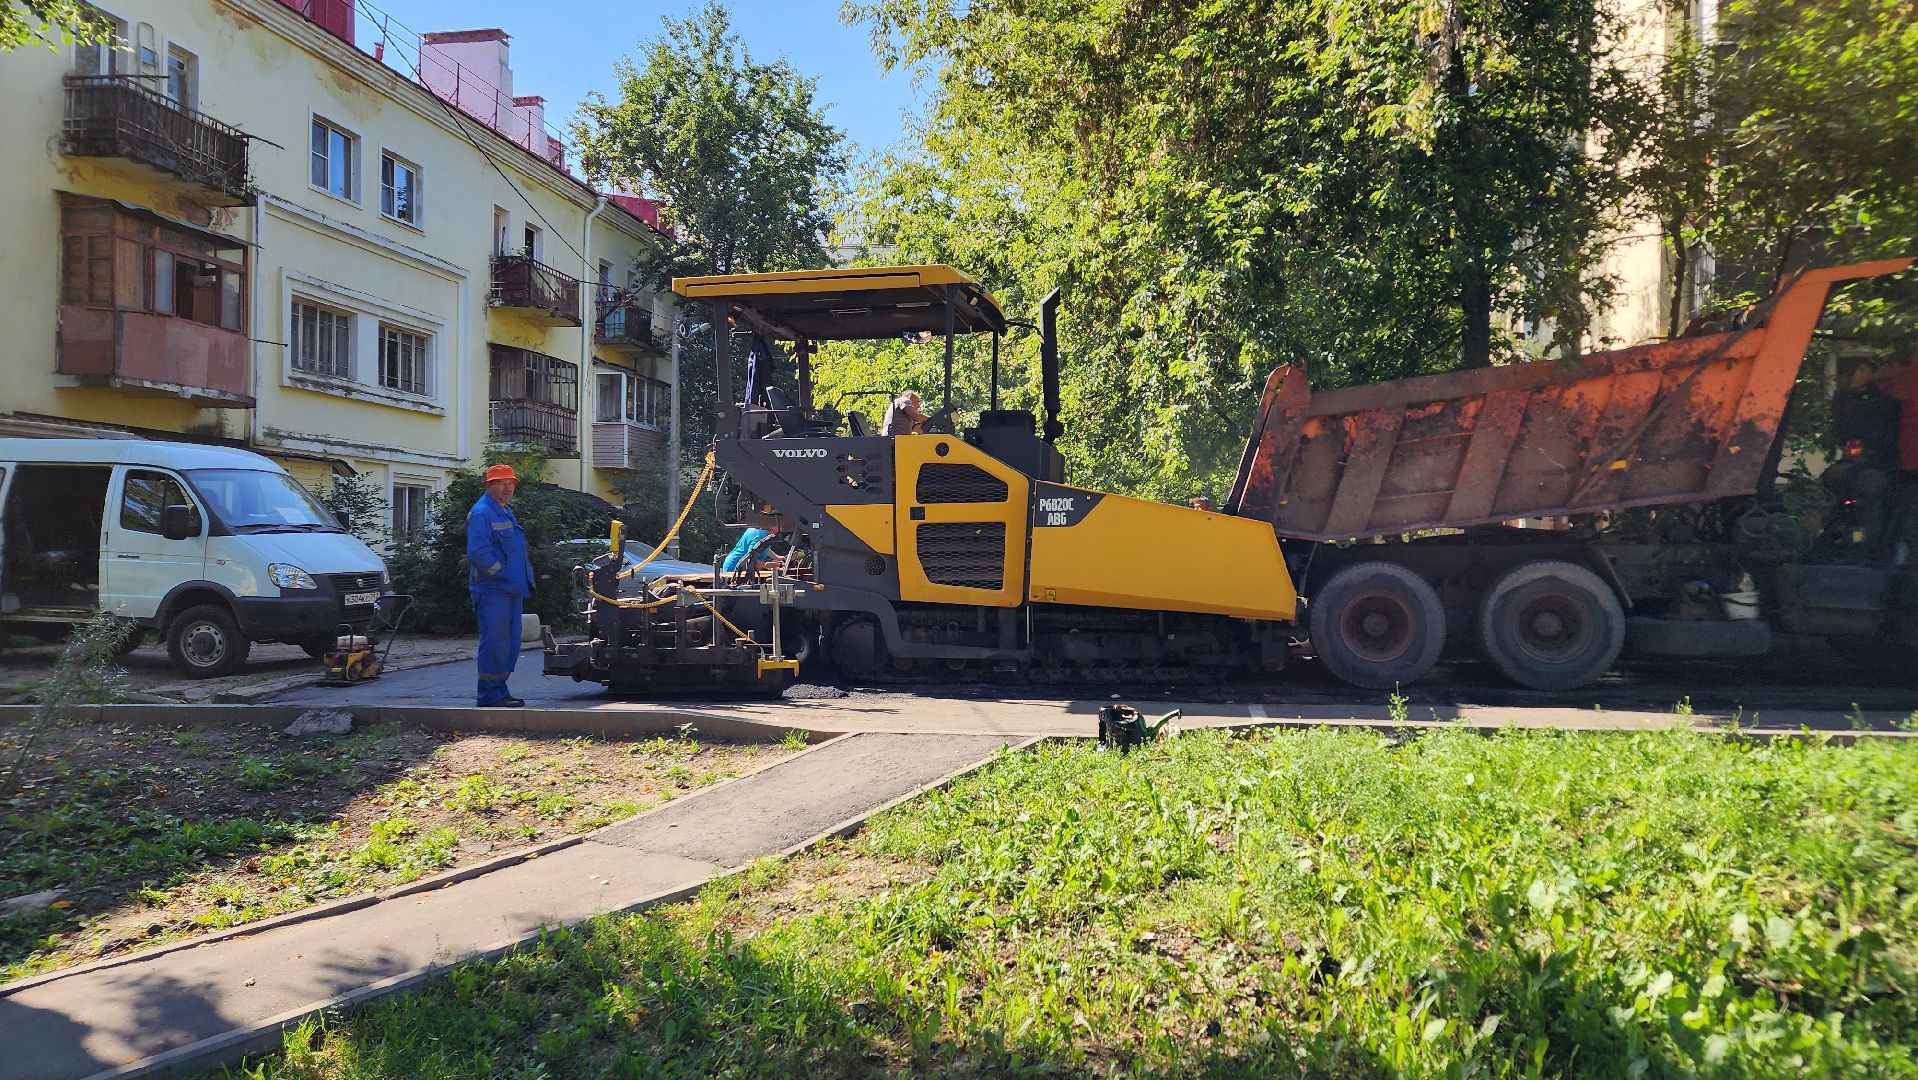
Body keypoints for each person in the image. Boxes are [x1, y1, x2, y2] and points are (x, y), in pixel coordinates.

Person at [466, 463, 536, 707]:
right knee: (495, 644)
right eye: (502, 483)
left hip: (509, 590)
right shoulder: (483, 512)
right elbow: (478, 553)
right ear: (489, 486)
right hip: (493, 591)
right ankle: (490, 696)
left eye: (511, 483)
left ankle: (499, 691)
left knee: (507, 644)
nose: (508, 487)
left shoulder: (502, 510)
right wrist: (503, 575)